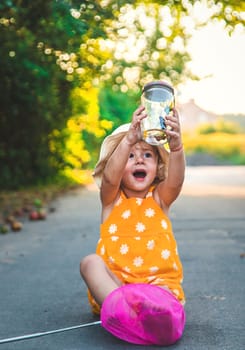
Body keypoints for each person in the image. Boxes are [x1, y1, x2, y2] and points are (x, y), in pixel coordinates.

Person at [80, 98, 186, 345]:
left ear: (158, 166)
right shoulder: (111, 201)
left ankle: (154, 314)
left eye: (147, 154)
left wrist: (177, 147)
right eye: (130, 156)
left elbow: (176, 180)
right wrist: (129, 138)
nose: (139, 160)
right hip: (116, 289)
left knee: (162, 300)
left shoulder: (160, 198)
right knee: (89, 262)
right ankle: (125, 313)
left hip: (158, 287)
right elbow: (109, 179)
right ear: (116, 166)